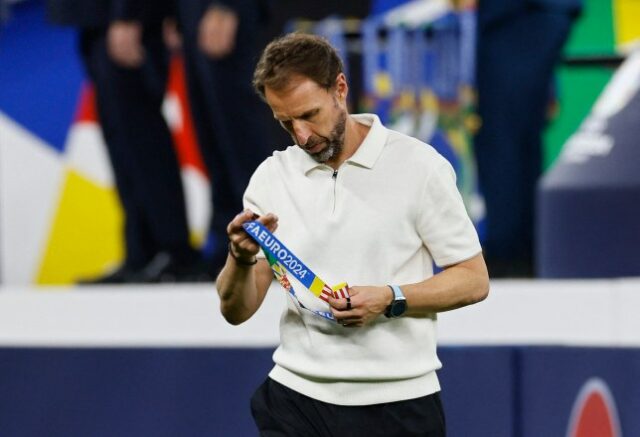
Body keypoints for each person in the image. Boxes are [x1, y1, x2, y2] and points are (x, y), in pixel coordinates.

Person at [216, 33, 489, 436]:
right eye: (286, 122)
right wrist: (239, 259)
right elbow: (236, 311)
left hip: (399, 404)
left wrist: (390, 298)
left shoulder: (420, 167)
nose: (302, 135)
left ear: (340, 89)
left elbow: (473, 279)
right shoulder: (272, 177)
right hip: (294, 399)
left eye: (310, 114)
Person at [48, 0, 203, 283]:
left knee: (141, 134)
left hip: (126, 18)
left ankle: (174, 250)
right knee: (122, 138)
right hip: (100, 20)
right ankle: (142, 252)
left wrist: (128, 14)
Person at [474, 0, 582, 277]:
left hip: (523, 12)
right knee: (516, 135)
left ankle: (510, 252)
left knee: (504, 136)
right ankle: (521, 248)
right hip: (526, 13)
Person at [174, 0, 272, 275]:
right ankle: (228, 245)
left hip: (223, 9)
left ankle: (268, 246)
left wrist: (229, 5)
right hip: (194, 11)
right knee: (213, 133)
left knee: (239, 130)